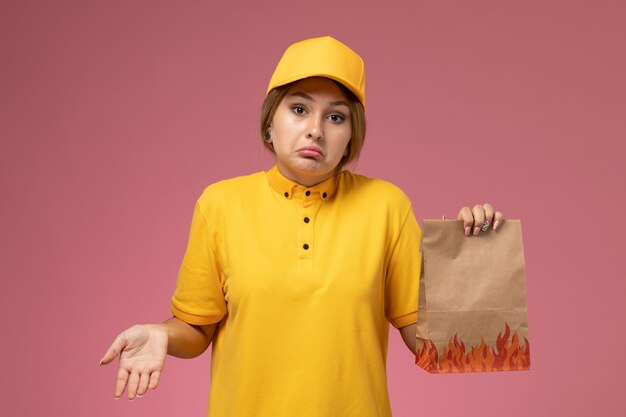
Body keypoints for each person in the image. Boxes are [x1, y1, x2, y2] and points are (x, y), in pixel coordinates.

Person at [100, 36, 504, 417]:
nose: (315, 128)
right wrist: (162, 334)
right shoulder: (220, 204)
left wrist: (470, 262)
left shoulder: (387, 206)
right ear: (268, 124)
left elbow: (434, 348)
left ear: (350, 138)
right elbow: (196, 327)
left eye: (335, 116)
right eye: (299, 109)